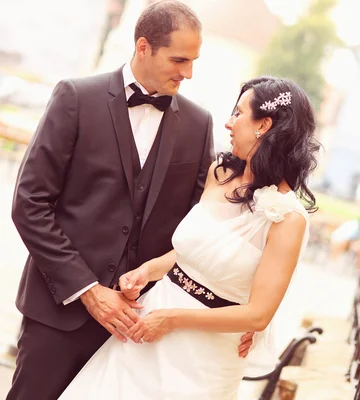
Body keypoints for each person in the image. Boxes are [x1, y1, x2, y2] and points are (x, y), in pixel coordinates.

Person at [8, 2, 250, 399]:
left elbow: (202, 228)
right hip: (58, 314)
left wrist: (240, 313)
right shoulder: (75, 98)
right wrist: (87, 289)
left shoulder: (197, 123)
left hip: (139, 328)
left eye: (193, 61)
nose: (188, 72)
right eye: (178, 59)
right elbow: (30, 203)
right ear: (143, 47)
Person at [58, 76, 320, 399]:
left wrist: (171, 320)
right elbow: (195, 251)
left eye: (238, 114)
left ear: (263, 125)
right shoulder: (219, 174)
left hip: (203, 360)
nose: (228, 123)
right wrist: (147, 271)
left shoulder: (288, 218)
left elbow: (258, 314)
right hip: (145, 328)